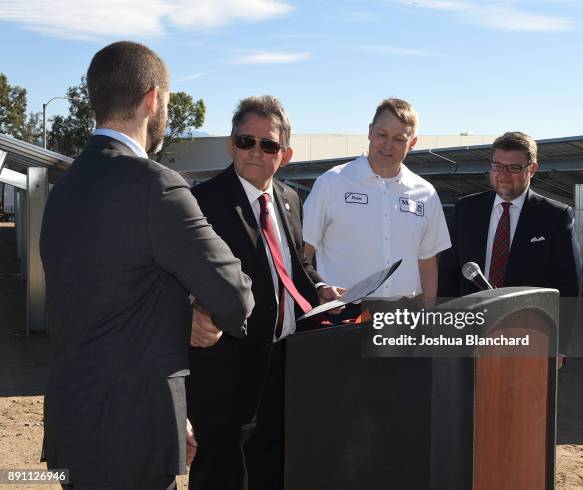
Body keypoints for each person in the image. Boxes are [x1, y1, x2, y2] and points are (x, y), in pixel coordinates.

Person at [39, 41, 254, 490]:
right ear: (152, 100)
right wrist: (203, 312)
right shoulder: (154, 185)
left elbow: (107, 297)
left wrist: (183, 315)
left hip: (73, 424)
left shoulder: (64, 188)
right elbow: (234, 295)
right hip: (131, 433)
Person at [187, 95, 343, 490]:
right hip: (226, 370)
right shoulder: (200, 202)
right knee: (222, 474)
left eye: (268, 145)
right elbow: (173, 274)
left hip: (285, 363)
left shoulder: (290, 200)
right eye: (246, 141)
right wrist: (188, 310)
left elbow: (294, 265)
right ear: (230, 144)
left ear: (285, 154)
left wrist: (322, 288)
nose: (255, 151)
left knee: (273, 469)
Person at [438, 131, 580, 352]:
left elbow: (568, 285)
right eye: (497, 166)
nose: (503, 174)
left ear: (532, 169)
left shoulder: (555, 216)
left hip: (528, 334)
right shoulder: (466, 209)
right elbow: (447, 271)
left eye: (514, 168)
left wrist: (558, 345)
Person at [303, 98, 451, 308]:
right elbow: (304, 253)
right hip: (343, 312)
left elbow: (427, 264)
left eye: (399, 139)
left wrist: (428, 317)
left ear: (413, 143)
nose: (388, 145)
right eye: (382, 135)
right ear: (370, 131)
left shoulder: (425, 193)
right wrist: (314, 292)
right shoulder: (331, 183)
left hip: (405, 315)